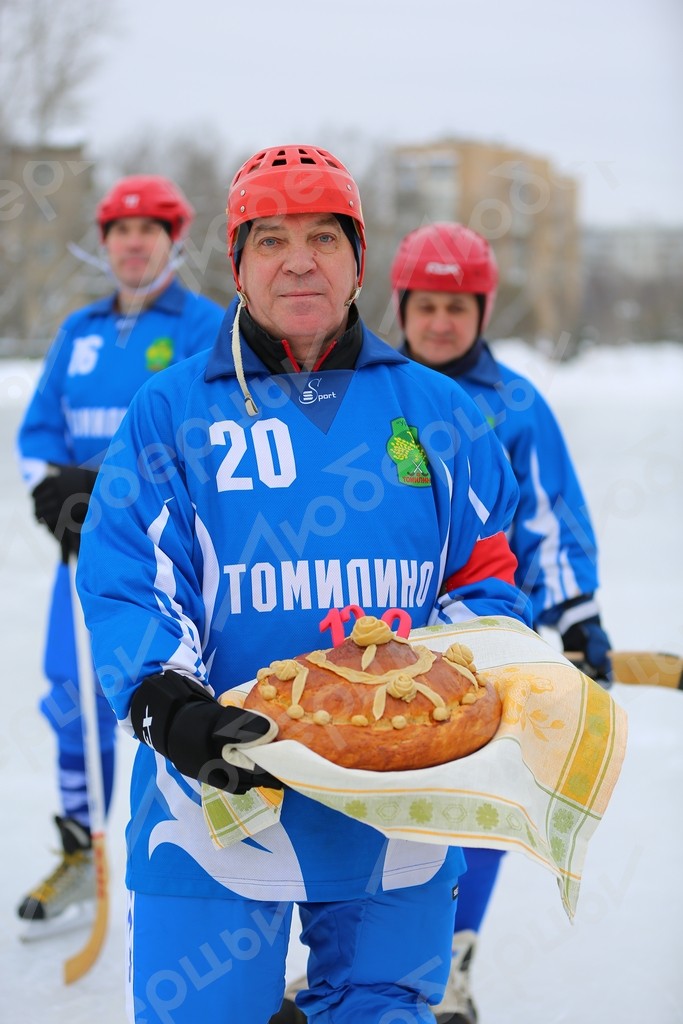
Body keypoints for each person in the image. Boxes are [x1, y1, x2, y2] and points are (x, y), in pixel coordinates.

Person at [75, 144, 533, 1024]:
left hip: (397, 807)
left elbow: (481, 571)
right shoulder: (172, 410)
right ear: (237, 266)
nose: (298, 261)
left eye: (323, 238)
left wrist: (467, 674)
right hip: (214, 797)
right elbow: (131, 576)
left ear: (359, 262)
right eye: (270, 239)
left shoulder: (437, 412)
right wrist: (166, 699)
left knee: (382, 1011)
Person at [389, 221, 612, 1024]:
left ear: (482, 311)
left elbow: (548, 522)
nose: (439, 322)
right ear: (400, 307)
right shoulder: (370, 393)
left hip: (485, 647)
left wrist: (577, 618)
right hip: (380, 642)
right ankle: (354, 955)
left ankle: (450, 961)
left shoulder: (515, 406)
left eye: (457, 306)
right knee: (370, 803)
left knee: (473, 804)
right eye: (425, 306)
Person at [16, 175, 225, 936]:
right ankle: (83, 852)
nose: (133, 243)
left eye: (149, 229)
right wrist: (52, 493)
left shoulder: (206, 326)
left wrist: (105, 489)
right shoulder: (79, 331)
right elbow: (39, 435)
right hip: (83, 558)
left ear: (174, 240)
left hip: (172, 559)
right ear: (103, 243)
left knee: (172, 694)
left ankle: (198, 847)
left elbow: (205, 436)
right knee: (73, 696)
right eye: (120, 230)